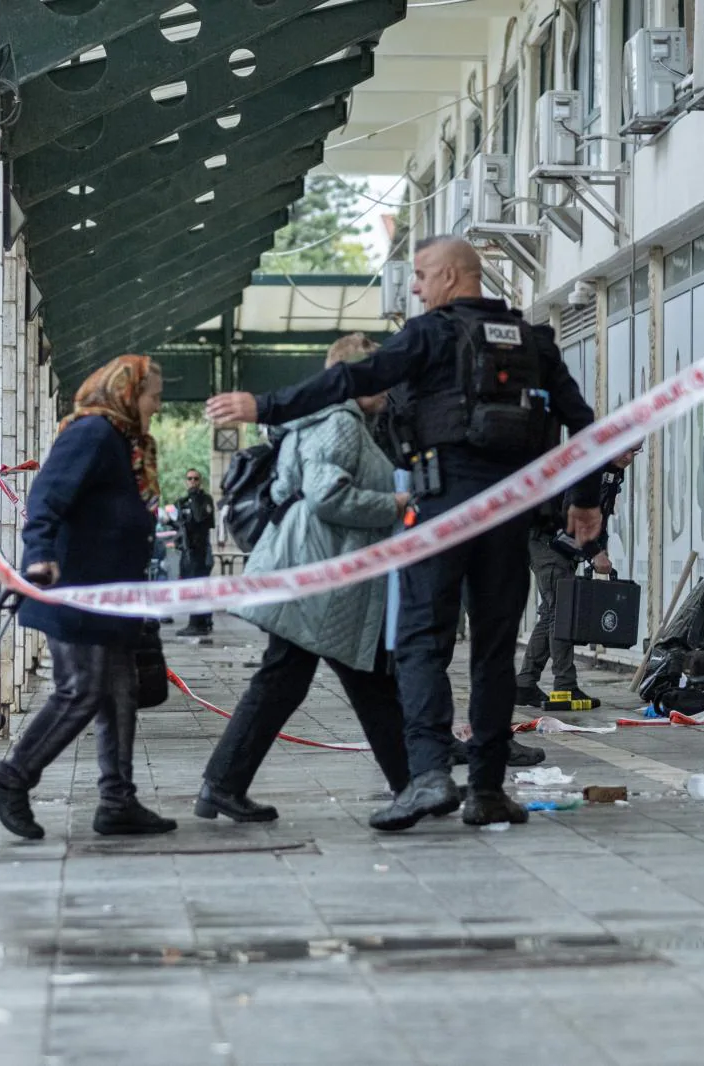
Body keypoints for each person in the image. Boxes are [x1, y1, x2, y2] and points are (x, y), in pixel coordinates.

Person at [205, 236, 603, 832]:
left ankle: (426, 779)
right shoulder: (533, 339)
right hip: (507, 512)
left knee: (420, 641)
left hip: (439, 508)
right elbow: (584, 422)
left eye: (419, 275)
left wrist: (264, 405)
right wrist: (586, 502)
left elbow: (351, 378)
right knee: (496, 652)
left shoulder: (431, 335)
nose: (413, 287)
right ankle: (488, 789)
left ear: (449, 276)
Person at [196, 335, 415, 822]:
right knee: (332, 680)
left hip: (317, 575)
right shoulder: (340, 422)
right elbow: (326, 496)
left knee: (344, 681)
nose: (386, 387)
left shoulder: (332, 421)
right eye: (377, 376)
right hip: (320, 578)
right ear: (355, 378)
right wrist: (394, 505)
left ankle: (413, 783)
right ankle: (412, 783)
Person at [0, 355, 177, 839]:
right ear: (127, 393)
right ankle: (10, 780)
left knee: (120, 695)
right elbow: (46, 496)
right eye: (154, 394)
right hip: (75, 590)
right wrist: (40, 554)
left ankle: (117, 801)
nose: (158, 404)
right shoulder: (93, 434)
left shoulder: (124, 443)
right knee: (81, 690)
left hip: (110, 596)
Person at [515, 443, 639, 710]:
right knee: (562, 613)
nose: (628, 457)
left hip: (562, 544)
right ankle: (565, 687)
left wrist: (600, 547)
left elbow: (600, 514)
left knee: (551, 613)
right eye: (625, 449)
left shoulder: (611, 470)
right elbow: (574, 512)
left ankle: (524, 684)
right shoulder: (589, 467)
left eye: (634, 452)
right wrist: (594, 553)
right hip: (547, 541)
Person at [174, 467, 216, 637]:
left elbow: (200, 517)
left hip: (200, 551)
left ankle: (198, 623)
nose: (192, 482)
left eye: (195, 479)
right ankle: (200, 621)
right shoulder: (183, 502)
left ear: (200, 481)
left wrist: (194, 497)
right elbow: (180, 525)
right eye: (189, 479)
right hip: (187, 550)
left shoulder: (205, 499)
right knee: (190, 586)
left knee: (199, 587)